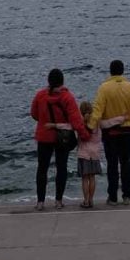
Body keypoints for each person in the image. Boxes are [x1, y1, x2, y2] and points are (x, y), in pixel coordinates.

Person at [30, 68, 90, 211]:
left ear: (48, 81)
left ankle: (40, 202)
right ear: (62, 81)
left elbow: (34, 114)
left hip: (44, 135)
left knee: (42, 169)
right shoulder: (67, 97)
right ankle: (58, 201)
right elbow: (76, 121)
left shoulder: (40, 95)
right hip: (63, 138)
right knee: (61, 168)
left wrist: (45, 121)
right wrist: (84, 135)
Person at [89, 59, 130, 206]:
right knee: (125, 163)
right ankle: (127, 195)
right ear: (123, 71)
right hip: (127, 131)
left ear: (110, 71)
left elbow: (98, 110)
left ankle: (112, 197)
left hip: (110, 132)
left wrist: (90, 126)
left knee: (112, 164)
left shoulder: (104, 88)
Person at [73, 100, 126, 208]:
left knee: (85, 178)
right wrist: (122, 118)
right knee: (92, 178)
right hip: (95, 153)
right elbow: (109, 122)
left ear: (81, 111)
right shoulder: (97, 122)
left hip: (83, 153)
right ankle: (91, 200)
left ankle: (86, 201)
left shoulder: (80, 122)